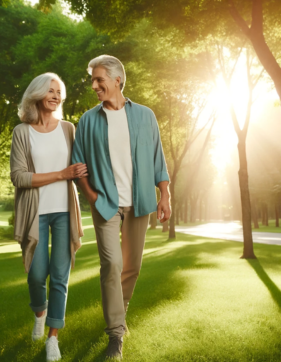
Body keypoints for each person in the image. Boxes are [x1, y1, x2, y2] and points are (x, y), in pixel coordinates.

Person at [72, 55, 171, 360]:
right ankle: (116, 333)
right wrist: (91, 195)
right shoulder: (88, 120)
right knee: (111, 265)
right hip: (106, 204)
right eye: (92, 80)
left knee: (132, 267)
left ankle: (120, 309)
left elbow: (158, 158)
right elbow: (78, 165)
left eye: (99, 79)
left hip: (139, 201)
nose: (94, 85)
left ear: (117, 80)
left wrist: (165, 194)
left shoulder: (145, 116)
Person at [10, 73, 87, 362]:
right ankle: (39, 314)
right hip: (35, 214)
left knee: (60, 278)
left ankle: (53, 338)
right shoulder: (21, 132)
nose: (56, 96)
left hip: (65, 211)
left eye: (59, 92)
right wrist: (60, 174)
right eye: (51, 90)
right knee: (37, 275)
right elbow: (18, 177)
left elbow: (80, 169)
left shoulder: (68, 128)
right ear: (38, 93)